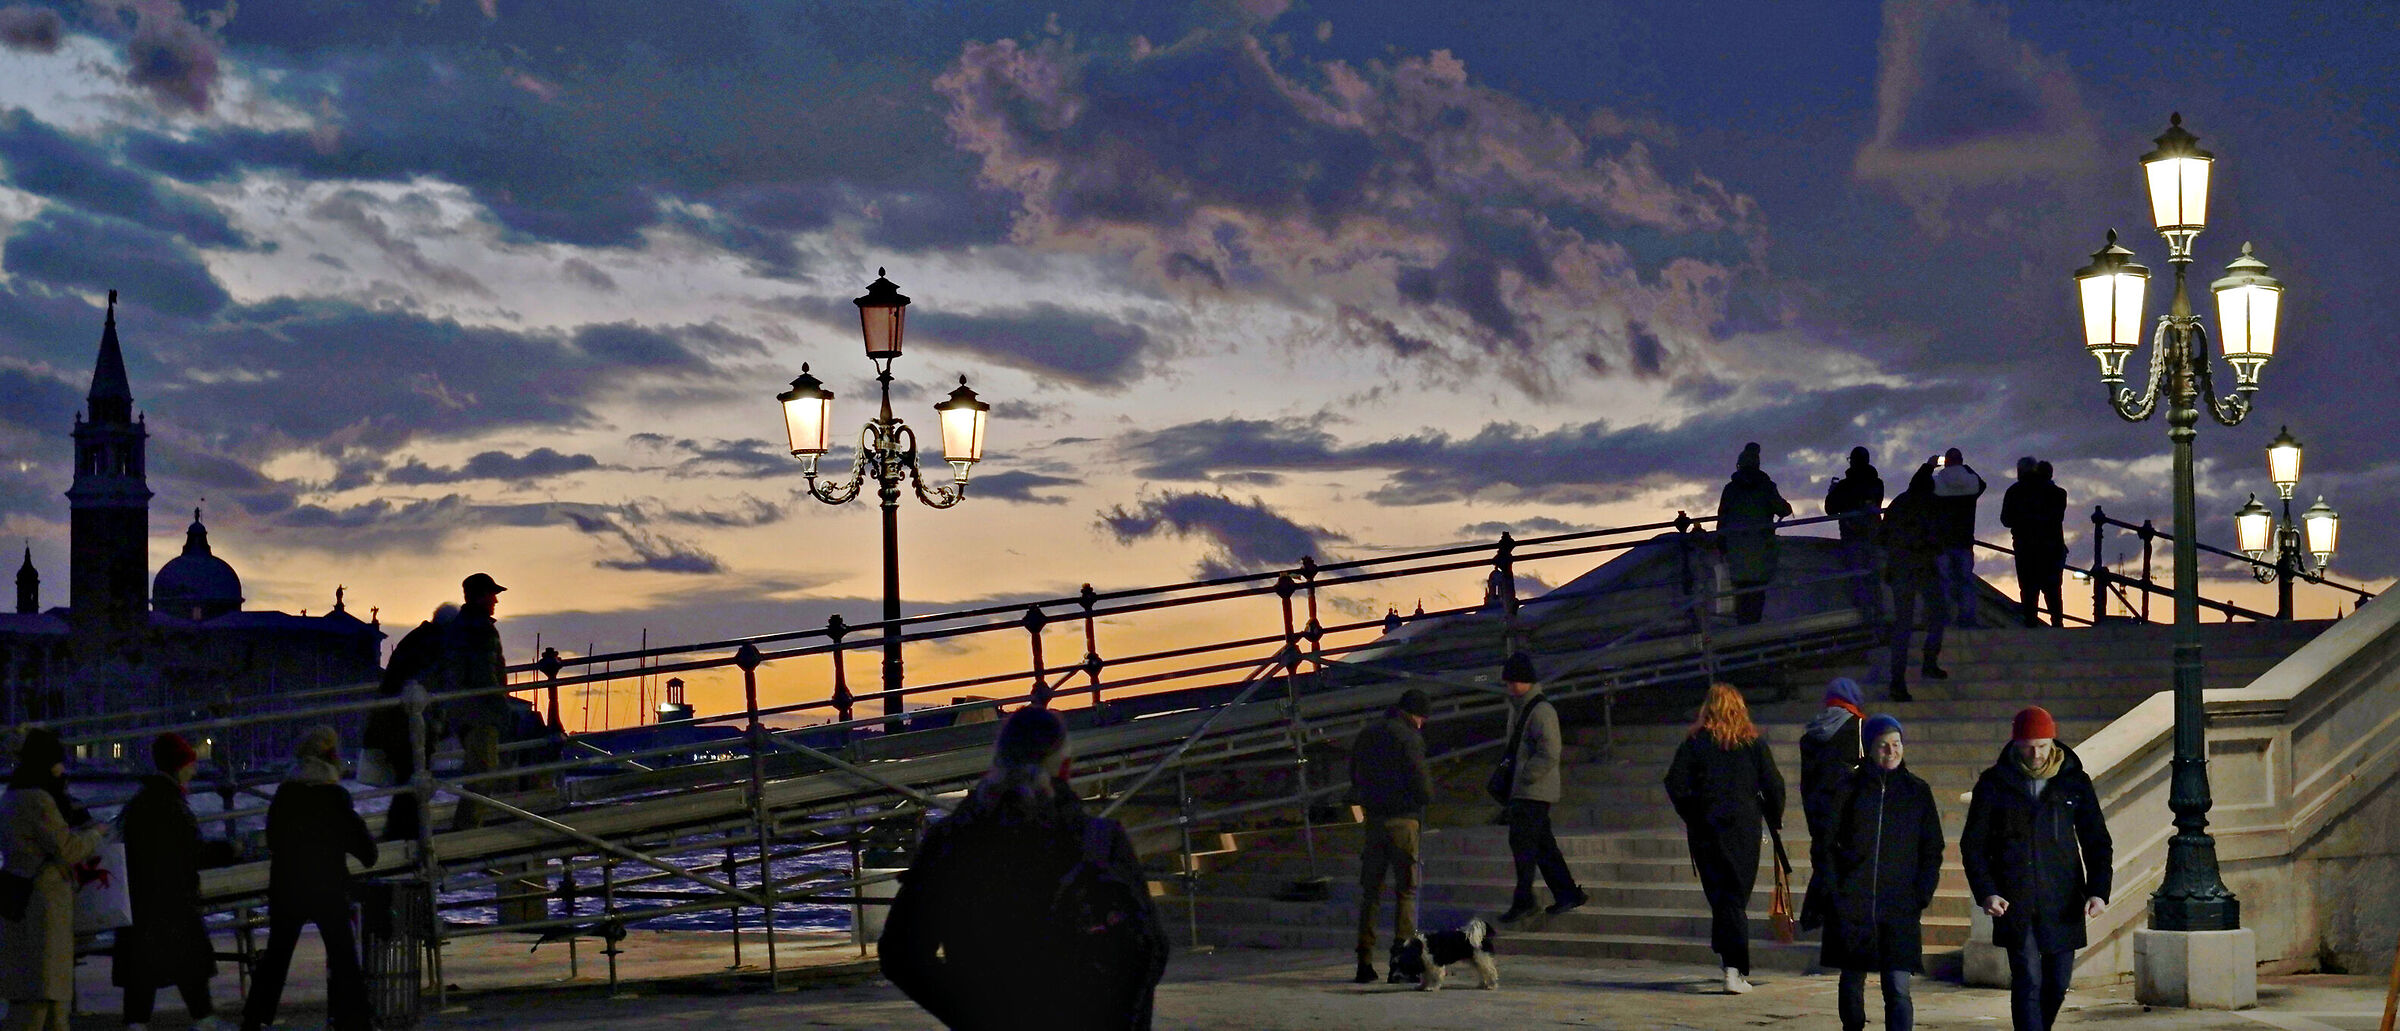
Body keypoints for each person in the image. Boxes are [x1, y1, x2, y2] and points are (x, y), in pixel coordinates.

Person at [880, 707, 1168, 1029]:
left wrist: (970, 1013)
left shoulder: (949, 841)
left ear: (996, 765)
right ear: (1066, 768)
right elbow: (1148, 950)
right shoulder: (1101, 842)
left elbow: (900, 954)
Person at [1960, 707, 2113, 1031]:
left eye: (2043, 745)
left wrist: (2099, 891)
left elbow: (2096, 839)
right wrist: (1987, 891)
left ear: (2052, 741)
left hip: (2063, 896)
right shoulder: (1994, 783)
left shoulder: (2074, 781)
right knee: (2027, 977)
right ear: (2016, 743)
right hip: (2015, 898)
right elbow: (1973, 845)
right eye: (2029, 746)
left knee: (2058, 981)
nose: (2036, 753)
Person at [240, 727, 377, 1031]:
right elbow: (366, 850)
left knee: (277, 957)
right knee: (343, 957)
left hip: (288, 886)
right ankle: (354, 1020)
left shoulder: (286, 794)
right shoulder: (335, 796)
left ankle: (255, 1020)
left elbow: (274, 839)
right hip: (328, 886)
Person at [1822, 715, 1943, 1031]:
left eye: (1897, 744)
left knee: (1898, 987)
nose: (1891, 751)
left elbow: (1932, 849)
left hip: (1899, 904)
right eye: (1883, 745)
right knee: (1851, 980)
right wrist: (1837, 888)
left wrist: (1921, 893)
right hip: (1853, 902)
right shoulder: (1848, 789)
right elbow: (1825, 844)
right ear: (1869, 748)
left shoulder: (1917, 792)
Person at [1664, 683, 1787, 994]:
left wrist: (1694, 812)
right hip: (1743, 829)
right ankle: (1734, 970)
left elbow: (1675, 783)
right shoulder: (1752, 743)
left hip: (1706, 829)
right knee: (1734, 897)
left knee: (1722, 897)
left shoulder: (1695, 742)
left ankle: (1727, 962)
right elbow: (1774, 785)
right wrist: (1773, 818)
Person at [114, 734, 229, 1031]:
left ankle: (136, 1022)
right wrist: (231, 850)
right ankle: (203, 1018)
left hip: (142, 898)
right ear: (179, 767)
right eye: (190, 764)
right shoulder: (172, 804)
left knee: (143, 967)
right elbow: (192, 850)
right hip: (174, 898)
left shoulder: (141, 802)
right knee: (189, 961)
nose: (193, 770)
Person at [382, 573, 512, 831]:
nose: (496, 600)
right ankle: (467, 828)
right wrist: (502, 708)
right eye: (491, 594)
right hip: (481, 713)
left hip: (463, 712)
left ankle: (465, 824)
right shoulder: (479, 629)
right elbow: (484, 676)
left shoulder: (459, 627)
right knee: (483, 772)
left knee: (481, 770)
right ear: (479, 596)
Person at [3, 727, 111, 1031]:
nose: (63, 768)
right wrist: (96, 834)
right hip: (44, 901)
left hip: (21, 895)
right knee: (44, 989)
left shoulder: (15, 794)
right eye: (58, 761)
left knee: (36, 989)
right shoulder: (39, 799)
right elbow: (67, 848)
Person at [1348, 688, 1433, 984]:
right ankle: (1401, 963)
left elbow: (1354, 775)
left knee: (1371, 893)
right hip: (1404, 822)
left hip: (1373, 822)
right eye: (1423, 718)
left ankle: (1364, 962)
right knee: (1406, 891)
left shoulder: (1368, 734)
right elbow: (1422, 784)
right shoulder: (1410, 737)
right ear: (1416, 714)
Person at [1496, 652, 1585, 923]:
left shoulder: (1541, 710)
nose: (1509, 686)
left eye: (1512, 681)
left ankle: (1525, 900)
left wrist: (1524, 775)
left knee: (1523, 844)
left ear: (1524, 681)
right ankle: (1567, 893)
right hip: (1525, 790)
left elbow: (1549, 751)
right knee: (1542, 845)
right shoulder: (1520, 707)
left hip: (1533, 790)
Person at [1797, 678, 1865, 936]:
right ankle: (1834, 921)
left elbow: (1807, 781)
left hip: (1818, 811)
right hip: (1848, 811)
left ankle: (1817, 918)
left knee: (1825, 863)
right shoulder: (1858, 726)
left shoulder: (1811, 733)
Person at [1877, 463, 1950, 701]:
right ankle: (1929, 661)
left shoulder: (1898, 503)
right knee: (1938, 614)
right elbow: (1938, 537)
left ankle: (1897, 681)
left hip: (1900, 568)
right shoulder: (1931, 504)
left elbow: (1882, 536)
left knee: (1903, 625)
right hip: (1923, 568)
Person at [1718, 442, 1793, 626]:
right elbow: (1783, 509)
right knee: (1757, 597)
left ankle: (1745, 637)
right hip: (1761, 554)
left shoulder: (1730, 490)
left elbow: (1722, 520)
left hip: (1736, 554)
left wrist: (1721, 545)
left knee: (1742, 600)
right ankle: (1754, 635)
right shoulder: (1766, 487)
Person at [2001, 460, 2069, 628]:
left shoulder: (2015, 491)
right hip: (2052, 547)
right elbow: (2057, 518)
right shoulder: (2057, 493)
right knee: (2053, 590)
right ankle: (2057, 625)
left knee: (2029, 590)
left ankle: (2031, 624)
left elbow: (2006, 520)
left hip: (2025, 547)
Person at [1825, 447, 1886, 621]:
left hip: (1852, 538)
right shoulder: (1877, 483)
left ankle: (1866, 618)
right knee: (1874, 579)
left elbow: (1830, 509)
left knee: (1857, 579)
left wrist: (1832, 492)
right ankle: (1878, 617)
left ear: (1852, 461)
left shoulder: (1844, 486)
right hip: (1873, 536)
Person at [1931, 449, 1986, 628]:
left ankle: (1944, 619)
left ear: (1946, 462)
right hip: (1964, 539)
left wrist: (1932, 466)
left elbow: (1920, 487)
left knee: (1943, 582)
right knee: (1966, 582)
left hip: (1943, 540)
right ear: (1961, 461)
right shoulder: (1971, 483)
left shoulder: (1938, 482)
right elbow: (1982, 484)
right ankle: (1968, 618)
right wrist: (1966, 468)